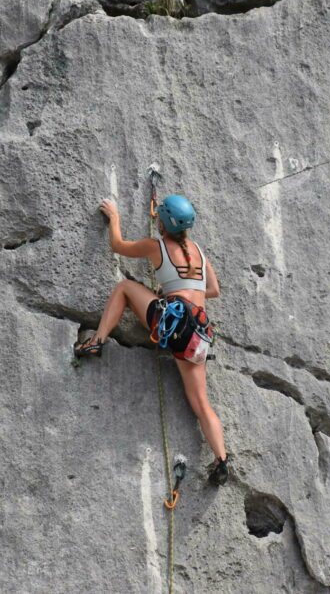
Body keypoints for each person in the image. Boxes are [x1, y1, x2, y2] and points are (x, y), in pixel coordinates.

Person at [74, 194, 229, 485]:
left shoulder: (155, 246)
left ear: (163, 223)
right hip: (196, 334)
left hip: (170, 322)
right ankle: (221, 459)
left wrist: (115, 217)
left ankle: (97, 339)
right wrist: (187, 292)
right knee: (201, 403)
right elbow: (214, 290)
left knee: (124, 287)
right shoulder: (199, 251)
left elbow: (118, 246)